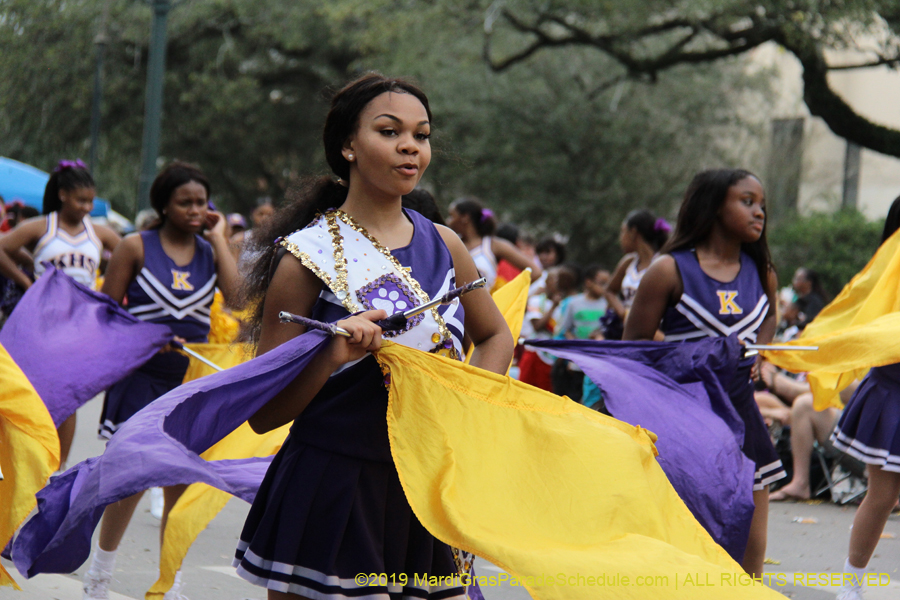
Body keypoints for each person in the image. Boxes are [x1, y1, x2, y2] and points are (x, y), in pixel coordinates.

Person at [232, 73, 513, 600]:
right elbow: (265, 412)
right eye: (390, 131)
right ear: (348, 147)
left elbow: (496, 334)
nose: (410, 145)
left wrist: (470, 401)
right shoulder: (304, 258)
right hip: (334, 486)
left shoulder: (447, 243)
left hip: (425, 484)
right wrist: (331, 355)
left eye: (421, 134)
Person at [81, 161, 240, 600]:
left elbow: (240, 297)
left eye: (201, 203)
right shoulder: (136, 245)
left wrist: (219, 237)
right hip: (141, 377)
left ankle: (171, 582)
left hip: (188, 383)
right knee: (128, 482)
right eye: (184, 202)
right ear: (164, 205)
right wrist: (147, 336)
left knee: (179, 484)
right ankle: (100, 576)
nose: (194, 210)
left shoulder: (210, 250)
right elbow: (104, 314)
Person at [623, 168, 784, 577]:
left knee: (750, 547)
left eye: (762, 204)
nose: (759, 212)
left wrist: (760, 355)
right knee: (688, 545)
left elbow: (770, 319)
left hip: (745, 422)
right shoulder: (668, 270)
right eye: (747, 202)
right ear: (713, 207)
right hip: (685, 425)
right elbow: (632, 350)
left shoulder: (762, 271)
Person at [0, 160, 120, 469]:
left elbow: (130, 257)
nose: (87, 206)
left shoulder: (100, 233)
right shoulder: (42, 226)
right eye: (81, 199)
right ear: (63, 194)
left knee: (69, 396)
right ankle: (27, 458)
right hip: (42, 321)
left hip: (80, 325)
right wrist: (27, 278)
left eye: (91, 200)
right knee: (36, 391)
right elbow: (3, 248)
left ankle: (58, 467)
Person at [831, 198, 900, 600]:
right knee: (884, 495)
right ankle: (850, 585)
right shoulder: (884, 275)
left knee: (884, 495)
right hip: (892, 390)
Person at [446, 197, 540, 289]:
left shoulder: (492, 245)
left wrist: (508, 295)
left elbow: (535, 272)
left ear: (465, 218)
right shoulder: (449, 243)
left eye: (451, 216)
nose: (448, 221)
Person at [607, 209, 670, 321]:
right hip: (628, 331)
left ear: (633, 232)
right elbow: (609, 291)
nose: (620, 238)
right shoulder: (629, 262)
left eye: (623, 231)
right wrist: (623, 314)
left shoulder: (662, 263)